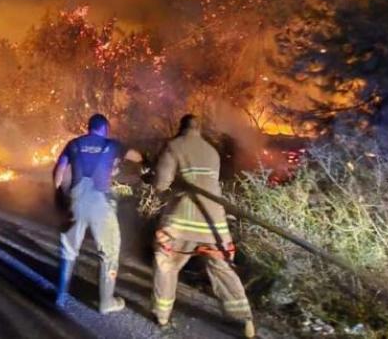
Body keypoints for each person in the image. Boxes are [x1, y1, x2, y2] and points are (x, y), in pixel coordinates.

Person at [152, 114, 255, 338]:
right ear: (199, 130)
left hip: (182, 221)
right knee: (222, 269)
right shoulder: (212, 151)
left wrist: (155, 177)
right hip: (213, 222)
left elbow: (161, 183)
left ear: (181, 128)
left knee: (166, 263)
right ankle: (244, 318)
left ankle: (162, 315)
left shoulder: (173, 146)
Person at [53, 113, 141, 313]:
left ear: (89, 128)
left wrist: (59, 195)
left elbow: (59, 171)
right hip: (101, 204)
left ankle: (60, 296)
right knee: (109, 252)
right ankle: (106, 302)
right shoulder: (112, 145)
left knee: (68, 250)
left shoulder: (73, 144)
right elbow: (136, 156)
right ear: (105, 128)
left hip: (75, 202)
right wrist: (142, 160)